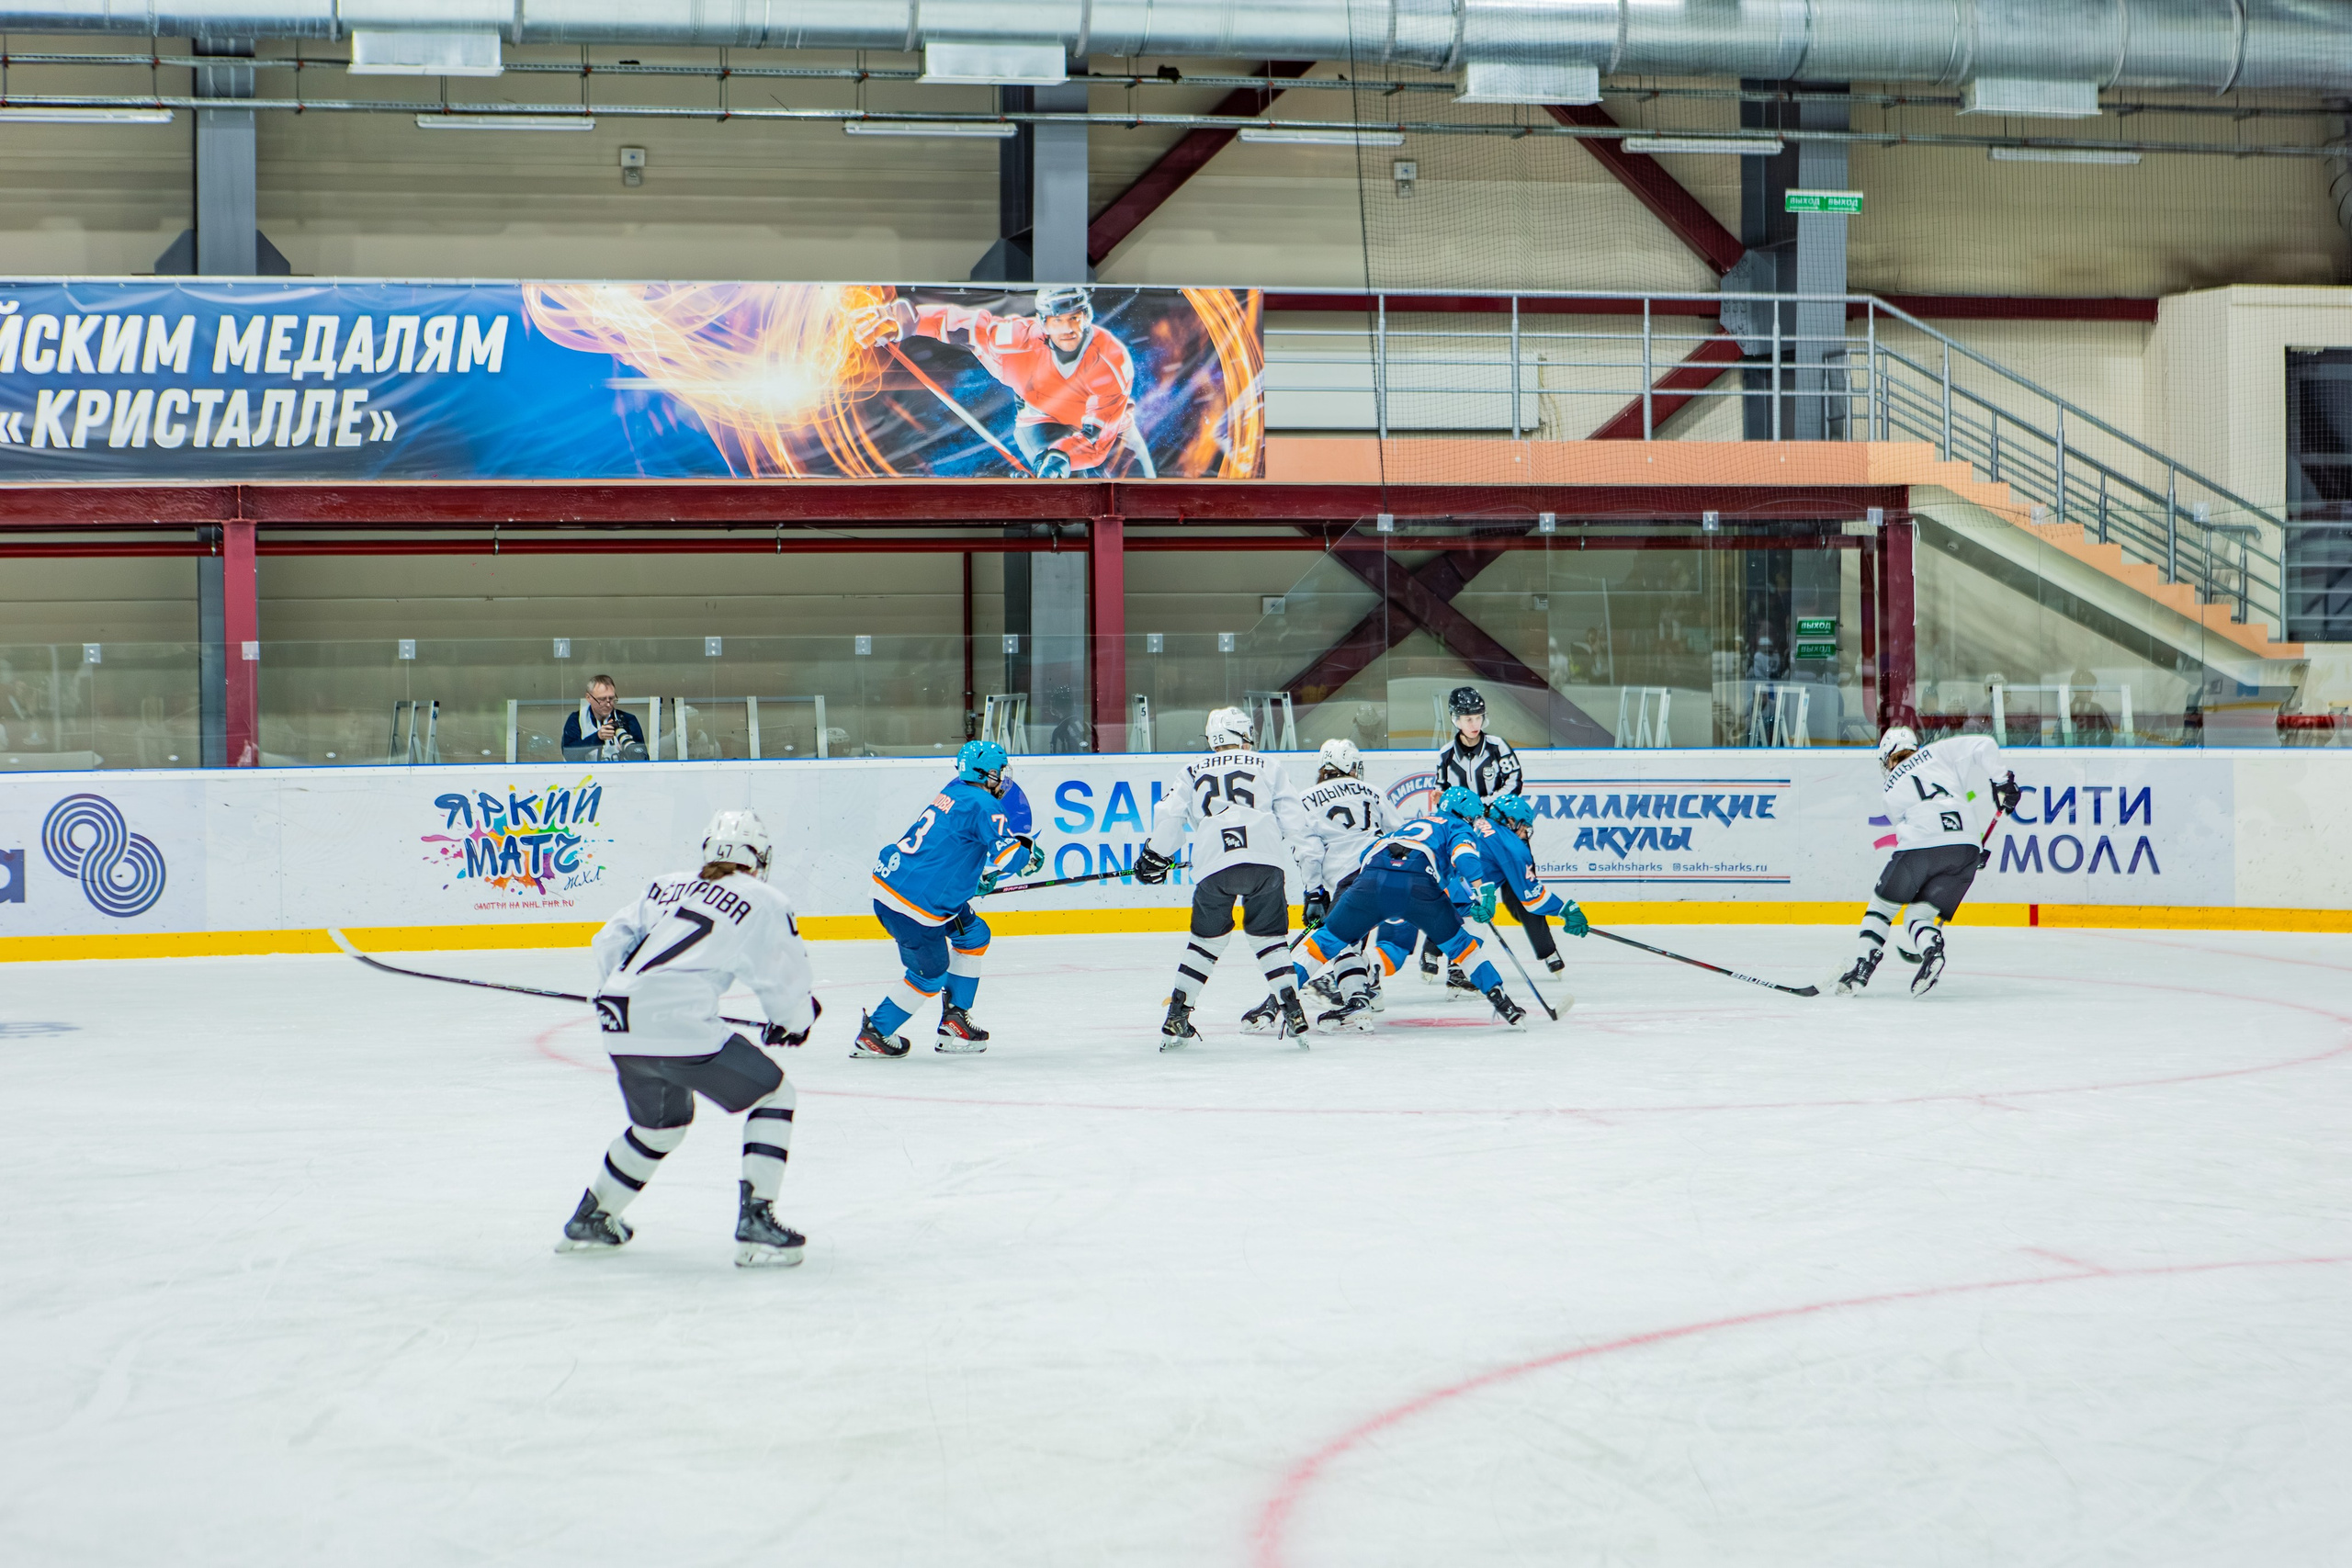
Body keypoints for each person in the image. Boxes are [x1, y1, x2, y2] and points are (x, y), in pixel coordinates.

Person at [559, 809, 819, 1268]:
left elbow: (609, 940)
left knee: (661, 1127)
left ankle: (594, 1216)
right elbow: (783, 976)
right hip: (680, 1025)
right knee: (775, 1095)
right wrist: (794, 1022)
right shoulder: (763, 898)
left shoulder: (664, 885)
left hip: (619, 1022)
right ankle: (756, 1221)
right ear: (760, 856)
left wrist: (616, 991)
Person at [1139, 705, 1314, 1048]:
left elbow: (1170, 816)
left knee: (1205, 943)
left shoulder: (1191, 769)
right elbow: (1298, 825)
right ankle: (1292, 1010)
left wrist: (1156, 855)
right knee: (1270, 940)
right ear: (1244, 735)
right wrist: (1316, 883)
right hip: (1264, 862)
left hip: (1214, 864)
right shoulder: (1269, 765)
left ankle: (1177, 1014)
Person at [849, 285, 1155, 479]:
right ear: (1044, 323)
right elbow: (968, 326)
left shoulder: (1110, 361)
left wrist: (1062, 456)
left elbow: (1097, 438)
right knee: (1052, 477)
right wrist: (904, 319)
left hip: (1107, 434)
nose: (1069, 328)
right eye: (1059, 320)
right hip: (1040, 418)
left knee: (1138, 489)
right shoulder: (1016, 343)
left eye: (1075, 318)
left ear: (1086, 317)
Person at [858, 739, 1042, 1058]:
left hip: (903, 884)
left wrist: (975, 879)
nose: (1002, 777)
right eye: (998, 771)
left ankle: (955, 1018)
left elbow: (946, 848)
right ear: (986, 774)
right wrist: (1027, 853)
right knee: (929, 977)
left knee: (974, 934)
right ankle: (876, 1032)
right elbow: (1009, 855)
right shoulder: (985, 805)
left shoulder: (953, 793)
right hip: (914, 909)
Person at [1295, 786, 1530, 1030]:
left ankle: (1283, 998)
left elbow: (1366, 855)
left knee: (1323, 943)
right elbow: (1464, 858)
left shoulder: (1411, 826)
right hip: (1419, 888)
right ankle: (1502, 1001)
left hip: (1372, 881)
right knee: (1463, 948)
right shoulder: (1458, 827)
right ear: (1467, 815)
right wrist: (1486, 892)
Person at [1837, 725, 2020, 998]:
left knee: (1882, 908)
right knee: (1919, 914)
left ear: (1888, 758)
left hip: (1922, 846)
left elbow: (1914, 832)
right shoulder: (1938, 753)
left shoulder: (1889, 788)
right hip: (1967, 846)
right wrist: (2001, 780)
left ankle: (1863, 965)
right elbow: (1985, 744)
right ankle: (1932, 950)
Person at [1427, 685, 1561, 983]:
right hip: (1466, 836)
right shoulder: (1446, 755)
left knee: (1520, 891)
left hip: (1501, 831)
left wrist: (1482, 809)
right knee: (1458, 891)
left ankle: (1548, 951)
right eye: (1467, 718)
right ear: (1455, 720)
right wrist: (1457, 811)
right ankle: (1433, 953)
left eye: (1478, 718)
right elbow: (1444, 794)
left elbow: (1514, 781)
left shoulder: (1498, 747)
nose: (1474, 724)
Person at [1266, 738, 1397, 1033]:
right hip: (1389, 875)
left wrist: (1314, 892)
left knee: (1339, 940)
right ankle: (1369, 989)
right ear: (1350, 765)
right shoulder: (1373, 792)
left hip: (1350, 880)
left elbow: (1309, 853)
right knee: (1351, 937)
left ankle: (1357, 1001)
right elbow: (1401, 835)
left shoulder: (1306, 798)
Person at [562, 674, 650, 762]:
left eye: (611, 699)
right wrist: (597, 737)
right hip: (588, 775)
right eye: (602, 699)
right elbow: (569, 755)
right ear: (588, 698)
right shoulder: (576, 719)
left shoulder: (628, 719)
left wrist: (629, 750)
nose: (608, 704)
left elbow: (644, 759)